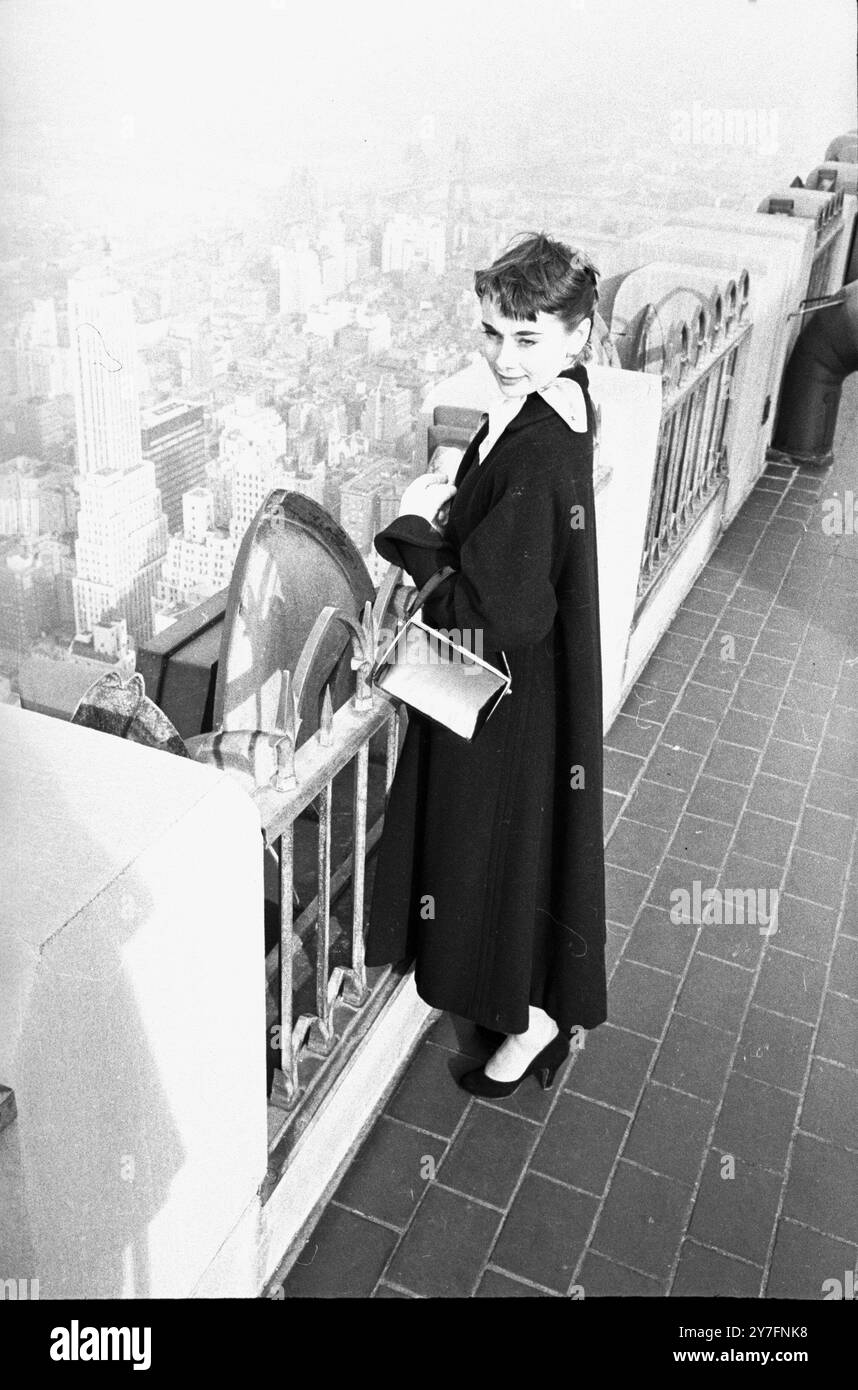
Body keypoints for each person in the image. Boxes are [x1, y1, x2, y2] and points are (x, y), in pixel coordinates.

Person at [366, 232, 607, 1097]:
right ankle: (538, 1005)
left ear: (580, 333)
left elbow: (494, 613)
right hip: (543, 694)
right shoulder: (569, 404)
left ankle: (524, 1012)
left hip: (500, 697)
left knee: (488, 857)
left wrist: (417, 530)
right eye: (492, 333)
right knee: (530, 851)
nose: (503, 358)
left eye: (527, 337)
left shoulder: (539, 454)